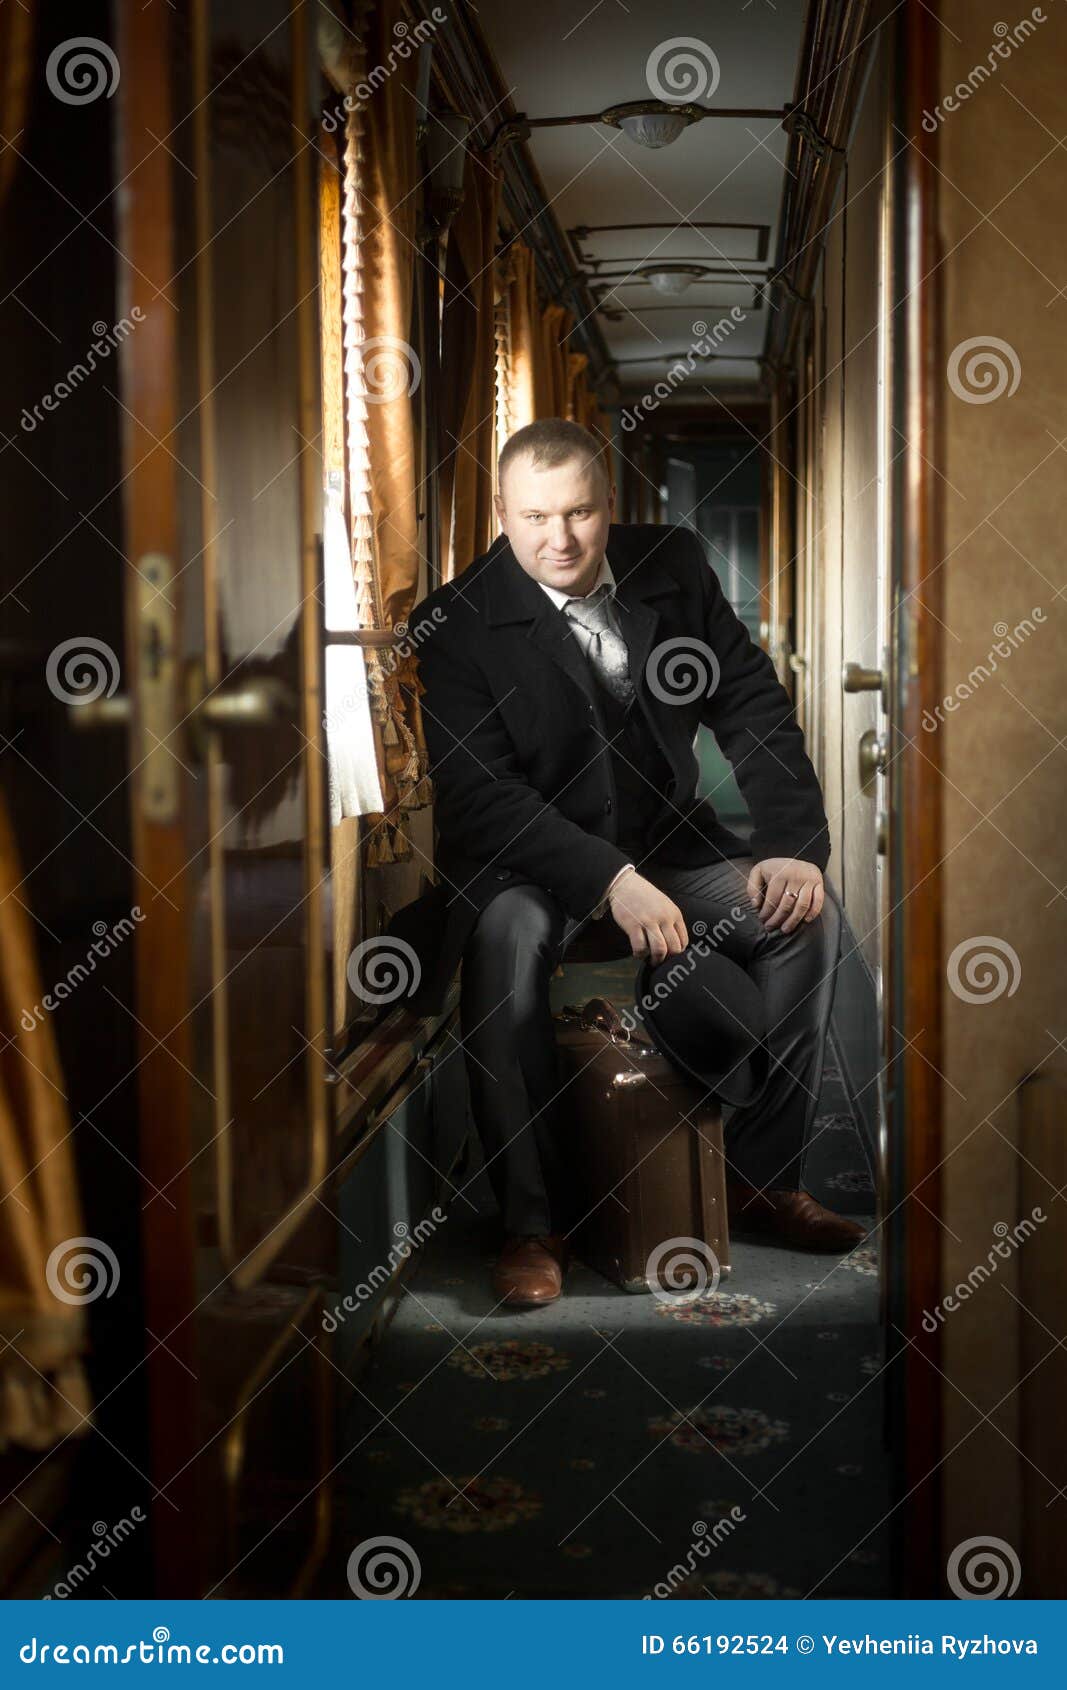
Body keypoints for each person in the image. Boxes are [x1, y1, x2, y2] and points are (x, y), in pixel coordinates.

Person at [390, 419, 863, 1306]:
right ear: (500, 512)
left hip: (669, 843)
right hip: (525, 863)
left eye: (578, 513)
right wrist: (610, 881)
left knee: (806, 921)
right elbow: (484, 797)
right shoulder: (454, 623)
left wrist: (792, 846)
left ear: (609, 506)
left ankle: (762, 1177)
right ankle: (533, 1224)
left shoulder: (673, 567)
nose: (558, 539)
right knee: (505, 948)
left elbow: (751, 703)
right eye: (534, 517)